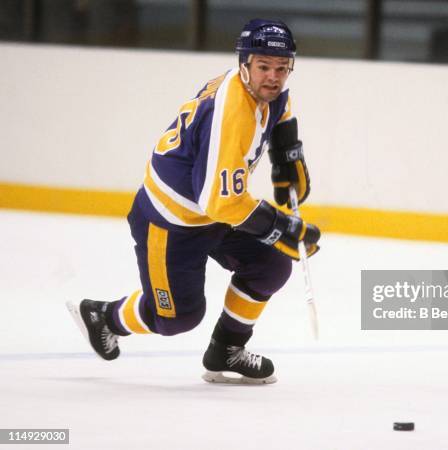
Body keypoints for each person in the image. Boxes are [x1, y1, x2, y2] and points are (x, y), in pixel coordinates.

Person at [66, 19, 321, 385]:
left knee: (272, 263)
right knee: (176, 318)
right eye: (264, 67)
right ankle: (103, 317)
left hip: (212, 209)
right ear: (244, 63)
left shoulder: (265, 89)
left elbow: (281, 108)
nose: (274, 77)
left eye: (282, 68)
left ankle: (226, 350)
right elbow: (219, 202)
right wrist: (281, 225)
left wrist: (287, 154)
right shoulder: (231, 113)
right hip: (171, 221)